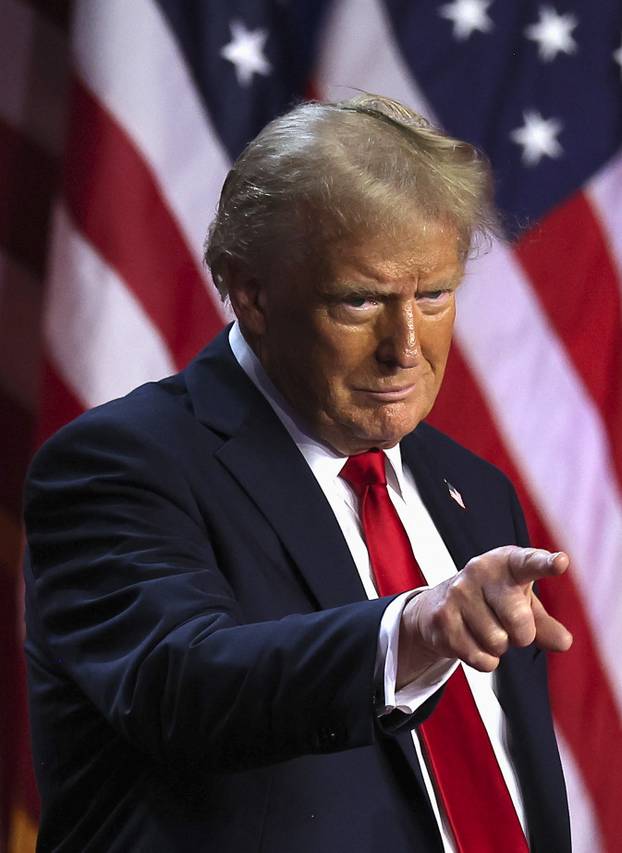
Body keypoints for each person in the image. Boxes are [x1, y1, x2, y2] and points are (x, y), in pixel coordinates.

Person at [24, 94, 572, 852]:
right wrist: (409, 627)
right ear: (250, 293)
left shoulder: (474, 491)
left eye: (435, 294)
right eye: (360, 300)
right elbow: (183, 685)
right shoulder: (120, 464)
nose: (405, 346)